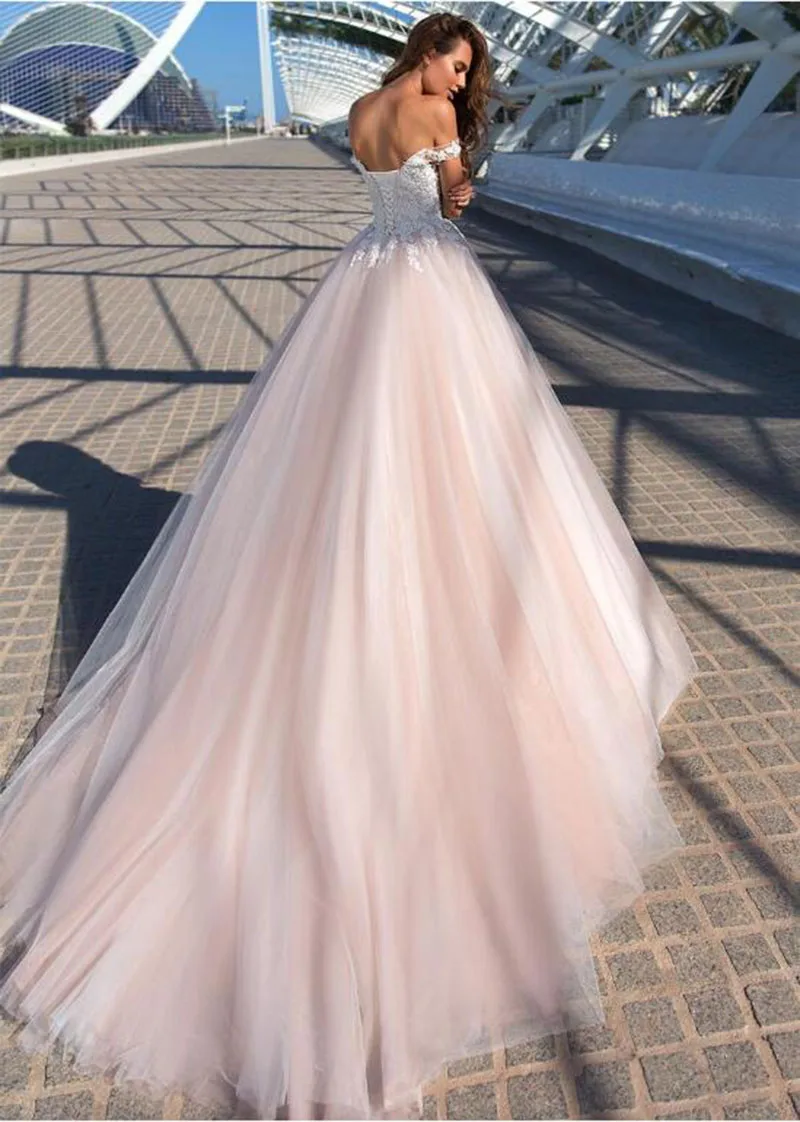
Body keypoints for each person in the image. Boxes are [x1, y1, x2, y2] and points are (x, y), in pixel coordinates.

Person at [0, 12, 695, 1120]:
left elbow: (382, 186)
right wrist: (462, 171)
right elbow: (454, 205)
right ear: (428, 52)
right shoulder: (431, 118)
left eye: (466, 71)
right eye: (455, 63)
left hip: (358, 283)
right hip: (428, 295)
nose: (457, 80)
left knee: (338, 465)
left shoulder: (368, 110)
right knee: (457, 458)